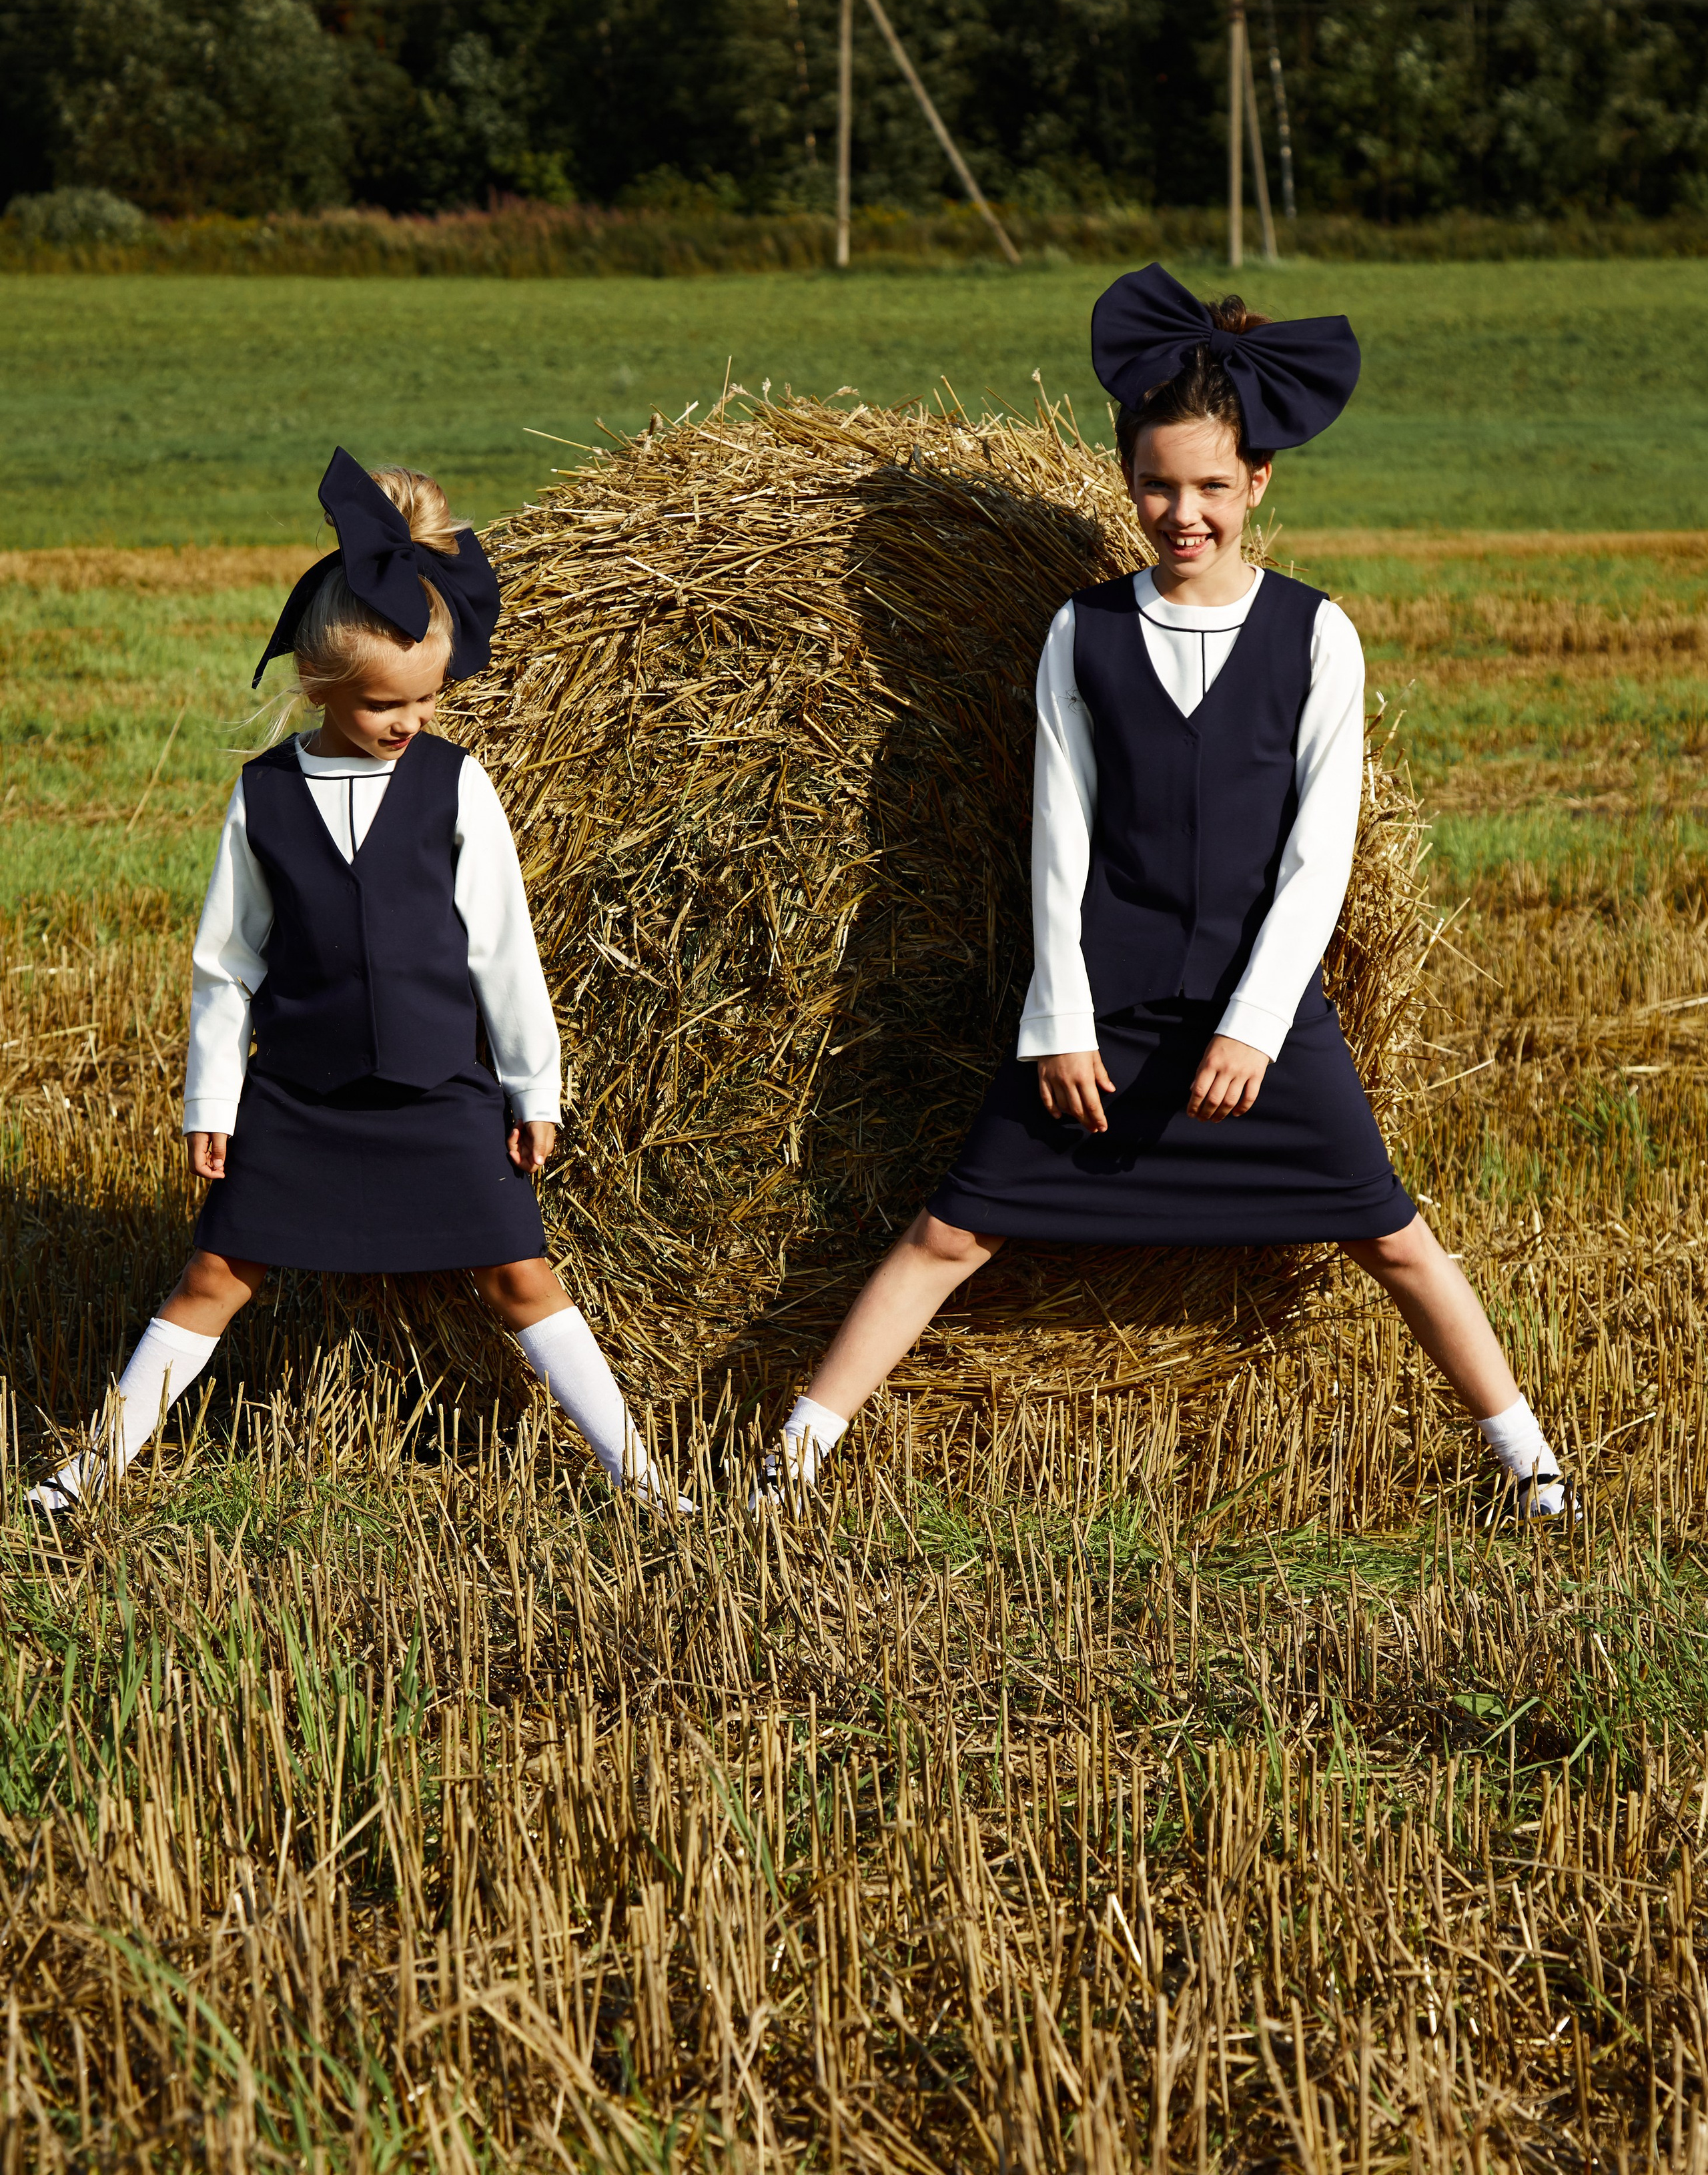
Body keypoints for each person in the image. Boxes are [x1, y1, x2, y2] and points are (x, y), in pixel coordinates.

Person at [757, 265, 1567, 1521]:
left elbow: (1320, 858)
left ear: (1259, 484)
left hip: (1267, 1015)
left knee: (1393, 1237)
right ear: (1126, 480)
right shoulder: (1081, 633)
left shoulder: (1318, 636)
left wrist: (1253, 1024)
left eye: (1209, 487)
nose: (1180, 512)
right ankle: (786, 1469)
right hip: (1106, 1006)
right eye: (1155, 485)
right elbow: (1058, 837)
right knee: (950, 1234)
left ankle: (1533, 1469)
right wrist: (1059, 1017)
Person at [29, 450, 686, 1516]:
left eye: (427, 701)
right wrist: (212, 1102)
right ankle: (82, 1476)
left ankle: (650, 1487)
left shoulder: (458, 784)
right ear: (323, 684)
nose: (409, 723)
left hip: (440, 1094)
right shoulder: (265, 795)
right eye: (385, 704)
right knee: (214, 1280)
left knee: (522, 1279)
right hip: (297, 1098)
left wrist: (534, 1090)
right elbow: (226, 964)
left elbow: (502, 952)